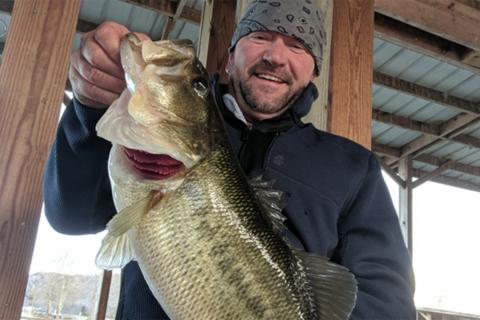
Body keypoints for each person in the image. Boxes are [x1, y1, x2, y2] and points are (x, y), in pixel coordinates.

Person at [43, 1, 416, 319]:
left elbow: (389, 303)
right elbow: (71, 215)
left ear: (313, 70)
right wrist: (89, 109)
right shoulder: (155, 145)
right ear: (230, 54)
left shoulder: (353, 166)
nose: (275, 55)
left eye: (297, 45)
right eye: (260, 36)